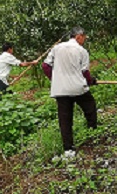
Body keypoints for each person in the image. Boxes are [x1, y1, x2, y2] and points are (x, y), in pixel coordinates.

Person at [42, 27, 98, 158]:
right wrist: (91, 81)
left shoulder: (57, 48)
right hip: (77, 87)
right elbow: (85, 73)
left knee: (65, 119)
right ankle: (93, 132)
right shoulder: (82, 51)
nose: (84, 40)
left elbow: (45, 66)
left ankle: (68, 149)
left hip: (60, 90)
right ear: (78, 37)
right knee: (90, 107)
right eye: (84, 38)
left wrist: (55, 79)